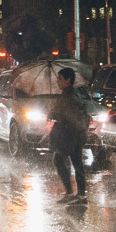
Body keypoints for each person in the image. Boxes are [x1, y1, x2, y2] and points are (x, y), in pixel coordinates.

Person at [49, 67, 91, 203]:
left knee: (61, 160)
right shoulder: (68, 95)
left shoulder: (70, 97)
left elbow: (72, 118)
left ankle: (75, 193)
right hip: (71, 135)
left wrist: (56, 115)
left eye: (60, 79)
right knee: (75, 163)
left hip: (70, 136)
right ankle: (78, 194)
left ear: (68, 80)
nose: (58, 82)